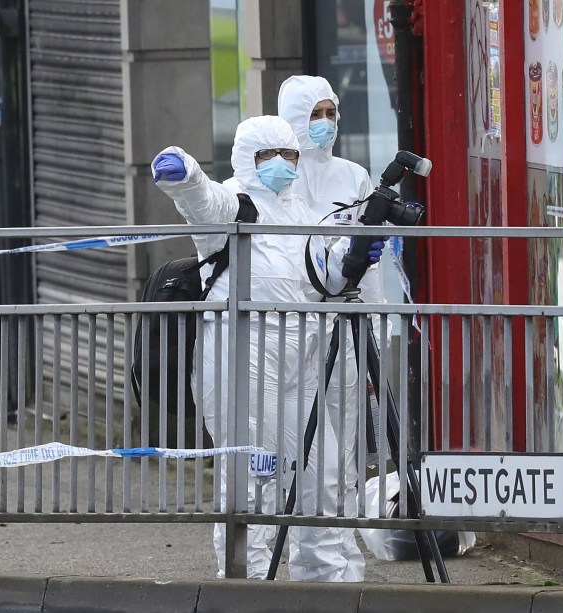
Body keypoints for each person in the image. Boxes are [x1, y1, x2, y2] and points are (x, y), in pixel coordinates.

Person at [151, 115, 383, 581]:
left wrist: (351, 256)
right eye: (266, 156)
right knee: (252, 482)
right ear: (245, 159)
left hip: (303, 359)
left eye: (289, 155)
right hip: (246, 361)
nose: (279, 165)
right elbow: (202, 200)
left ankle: (325, 586)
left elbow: (321, 280)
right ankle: (247, 589)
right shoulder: (233, 206)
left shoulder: (301, 212)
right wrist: (185, 174)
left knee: (325, 477)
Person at [278, 75, 387, 583]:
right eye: (315, 114)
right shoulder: (279, 177)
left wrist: (380, 316)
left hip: (346, 319)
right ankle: (306, 556)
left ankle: (340, 554)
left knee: (342, 443)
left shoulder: (353, 176)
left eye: (332, 113)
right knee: (302, 441)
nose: (326, 124)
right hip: (294, 326)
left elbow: (374, 253)